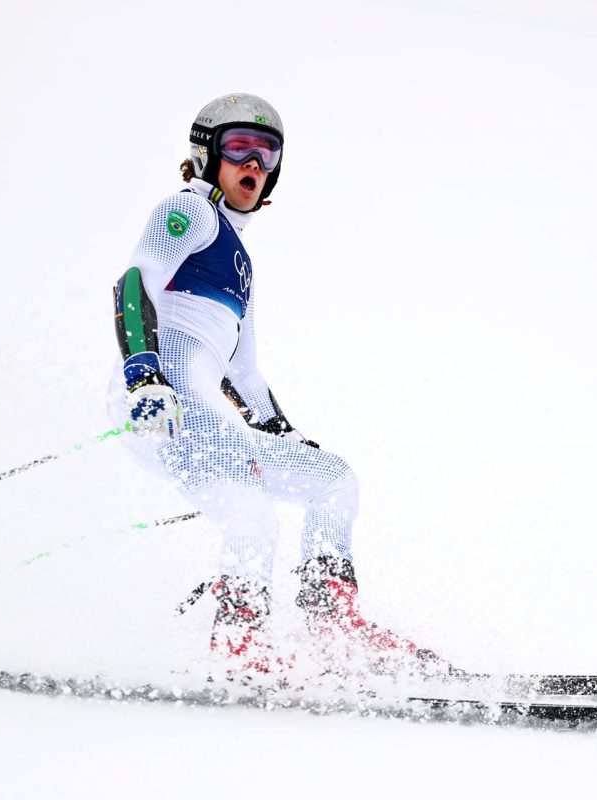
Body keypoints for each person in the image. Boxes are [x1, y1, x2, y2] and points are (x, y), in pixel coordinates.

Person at [109, 94, 442, 684]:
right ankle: (239, 647)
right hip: (163, 401)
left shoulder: (239, 261)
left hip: (206, 406)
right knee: (252, 516)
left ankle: (332, 620)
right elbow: (134, 281)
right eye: (239, 148)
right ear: (206, 154)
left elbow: (245, 377)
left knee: (333, 480)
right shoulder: (186, 212)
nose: (254, 164)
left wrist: (287, 436)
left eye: (267, 154)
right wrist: (143, 376)